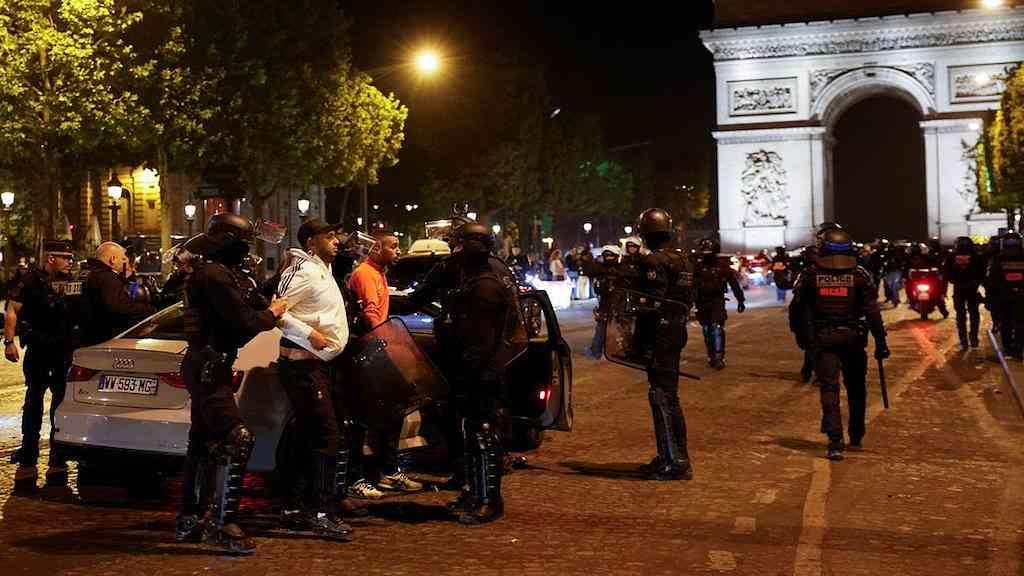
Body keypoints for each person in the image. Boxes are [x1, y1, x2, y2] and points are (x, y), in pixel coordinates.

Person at [175, 213, 288, 555]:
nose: (246, 251)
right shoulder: (213, 275)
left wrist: (275, 285)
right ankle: (222, 523)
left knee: (203, 443)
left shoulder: (214, 273)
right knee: (236, 438)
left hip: (209, 365)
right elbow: (244, 321)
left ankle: (191, 518)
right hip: (209, 367)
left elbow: (246, 303)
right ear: (227, 243)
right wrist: (272, 314)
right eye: (242, 244)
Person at [410, 221, 524, 524]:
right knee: (473, 431)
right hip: (472, 365)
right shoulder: (476, 273)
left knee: (483, 432)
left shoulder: (486, 283)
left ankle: (488, 500)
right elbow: (423, 297)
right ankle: (476, 492)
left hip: (481, 368)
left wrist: (473, 372)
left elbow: (482, 338)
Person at [275, 218, 354, 541]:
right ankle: (320, 512)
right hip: (303, 368)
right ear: (311, 242)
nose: (336, 241)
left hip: (318, 367)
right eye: (329, 236)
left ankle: (293, 506)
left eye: (336, 236)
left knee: (305, 437)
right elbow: (277, 311)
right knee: (326, 436)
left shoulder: (322, 269)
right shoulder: (303, 270)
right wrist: (309, 334)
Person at [789, 227, 889, 460]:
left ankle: (835, 441)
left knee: (829, 389)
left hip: (824, 339)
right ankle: (856, 433)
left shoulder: (810, 275)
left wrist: (802, 337)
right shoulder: (860, 274)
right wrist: (881, 341)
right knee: (857, 388)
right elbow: (872, 312)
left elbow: (797, 310)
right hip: (854, 338)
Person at [346, 230, 422, 498]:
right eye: (393, 246)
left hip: (378, 349)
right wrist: (387, 346)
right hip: (372, 351)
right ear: (376, 248)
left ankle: (386, 470)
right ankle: (367, 474)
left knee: (391, 413)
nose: (398, 250)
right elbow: (371, 314)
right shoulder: (366, 274)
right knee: (369, 417)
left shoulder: (378, 273)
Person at [5, 240, 80, 486]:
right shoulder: (30, 281)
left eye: (70, 258)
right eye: (65, 258)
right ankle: (28, 456)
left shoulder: (73, 281)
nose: (69, 262)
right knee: (33, 402)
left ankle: (58, 457)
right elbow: (12, 310)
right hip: (39, 349)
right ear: (51, 258)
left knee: (60, 404)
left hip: (63, 351)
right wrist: (9, 342)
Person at [627, 208, 695, 480]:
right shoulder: (685, 260)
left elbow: (652, 303)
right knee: (666, 395)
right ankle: (668, 455)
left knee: (663, 396)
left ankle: (676, 461)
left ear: (645, 234)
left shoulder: (653, 262)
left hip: (658, 333)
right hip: (676, 330)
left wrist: (636, 328)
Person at [80, 242, 157, 346]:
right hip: (107, 338)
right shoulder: (107, 278)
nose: (125, 263)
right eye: (123, 259)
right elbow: (120, 306)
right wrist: (149, 310)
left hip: (94, 336)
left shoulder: (94, 273)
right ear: (113, 259)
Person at [693, 238, 745, 369]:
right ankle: (711, 355)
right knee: (706, 329)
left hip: (717, 300)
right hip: (702, 301)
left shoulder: (722, 267)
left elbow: (734, 284)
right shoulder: (697, 267)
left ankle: (718, 356)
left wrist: (740, 300)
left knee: (717, 327)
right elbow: (690, 285)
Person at [582, 245, 625, 359]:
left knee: (621, 327)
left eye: (611, 255)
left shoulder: (622, 267)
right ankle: (596, 351)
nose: (609, 258)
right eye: (606, 255)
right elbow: (588, 270)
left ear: (617, 256)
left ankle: (619, 350)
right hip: (605, 302)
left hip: (620, 302)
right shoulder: (600, 267)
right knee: (601, 326)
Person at [945, 236, 986, 350]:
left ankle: (964, 340)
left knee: (961, 315)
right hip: (971, 289)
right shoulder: (976, 257)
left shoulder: (952, 257)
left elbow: (947, 273)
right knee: (973, 313)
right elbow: (982, 273)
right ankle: (972, 338)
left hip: (960, 289)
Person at [988, 232, 1024, 359]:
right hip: (1020, 295)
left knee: (1006, 323)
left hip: (1004, 296)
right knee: (1020, 323)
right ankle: (1018, 350)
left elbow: (992, 279)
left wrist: (993, 295)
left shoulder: (999, 258)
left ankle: (1008, 349)